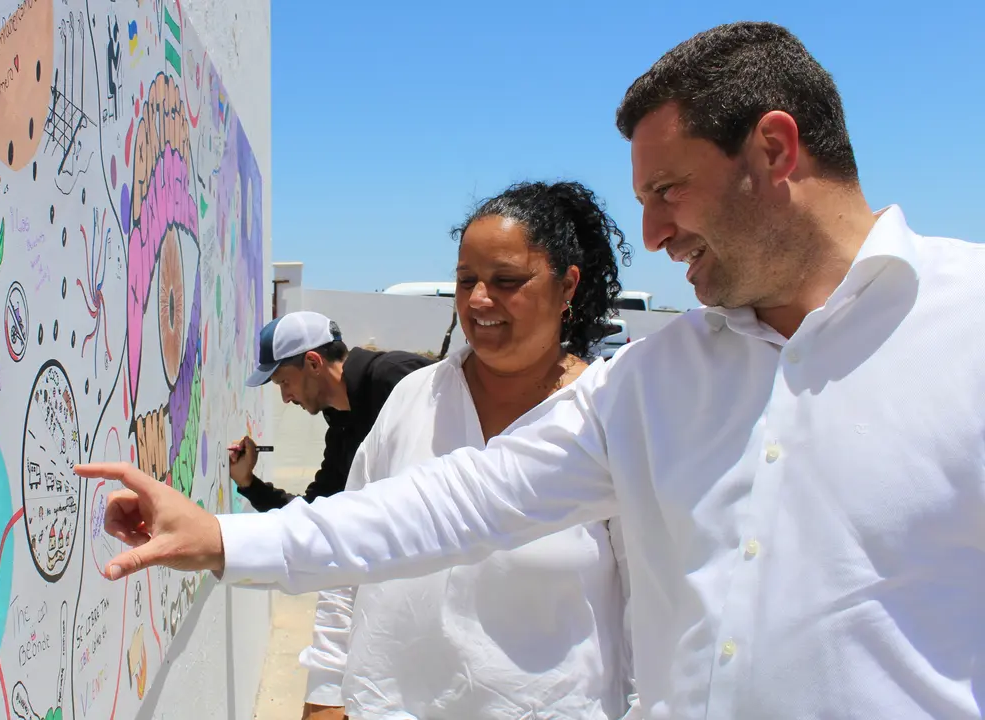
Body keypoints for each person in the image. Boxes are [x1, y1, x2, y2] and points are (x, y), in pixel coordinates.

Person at [83, 21, 985, 719]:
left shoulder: (968, 327)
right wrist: (225, 538)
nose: (658, 233)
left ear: (776, 150)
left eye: (667, 191)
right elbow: (453, 503)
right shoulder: (652, 382)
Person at [299, 180, 637, 720]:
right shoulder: (415, 397)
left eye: (506, 281)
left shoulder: (608, 416)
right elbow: (351, 547)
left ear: (567, 286)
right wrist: (324, 691)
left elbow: (649, 604)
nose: (479, 300)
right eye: (465, 280)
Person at [228, 310, 432, 512]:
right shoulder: (341, 428)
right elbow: (313, 515)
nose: (285, 397)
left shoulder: (395, 377)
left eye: (284, 382)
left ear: (313, 363)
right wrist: (248, 482)